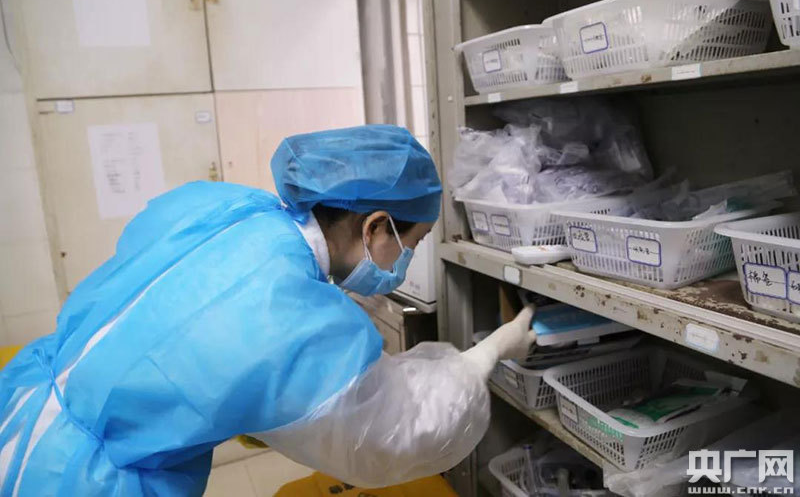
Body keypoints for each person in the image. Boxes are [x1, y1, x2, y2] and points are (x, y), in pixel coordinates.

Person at [0, 125, 535, 495]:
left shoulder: (229, 212)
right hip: (81, 482)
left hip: (19, 419)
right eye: (410, 243)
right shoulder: (289, 314)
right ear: (375, 227)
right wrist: (489, 352)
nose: (405, 260)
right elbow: (397, 433)